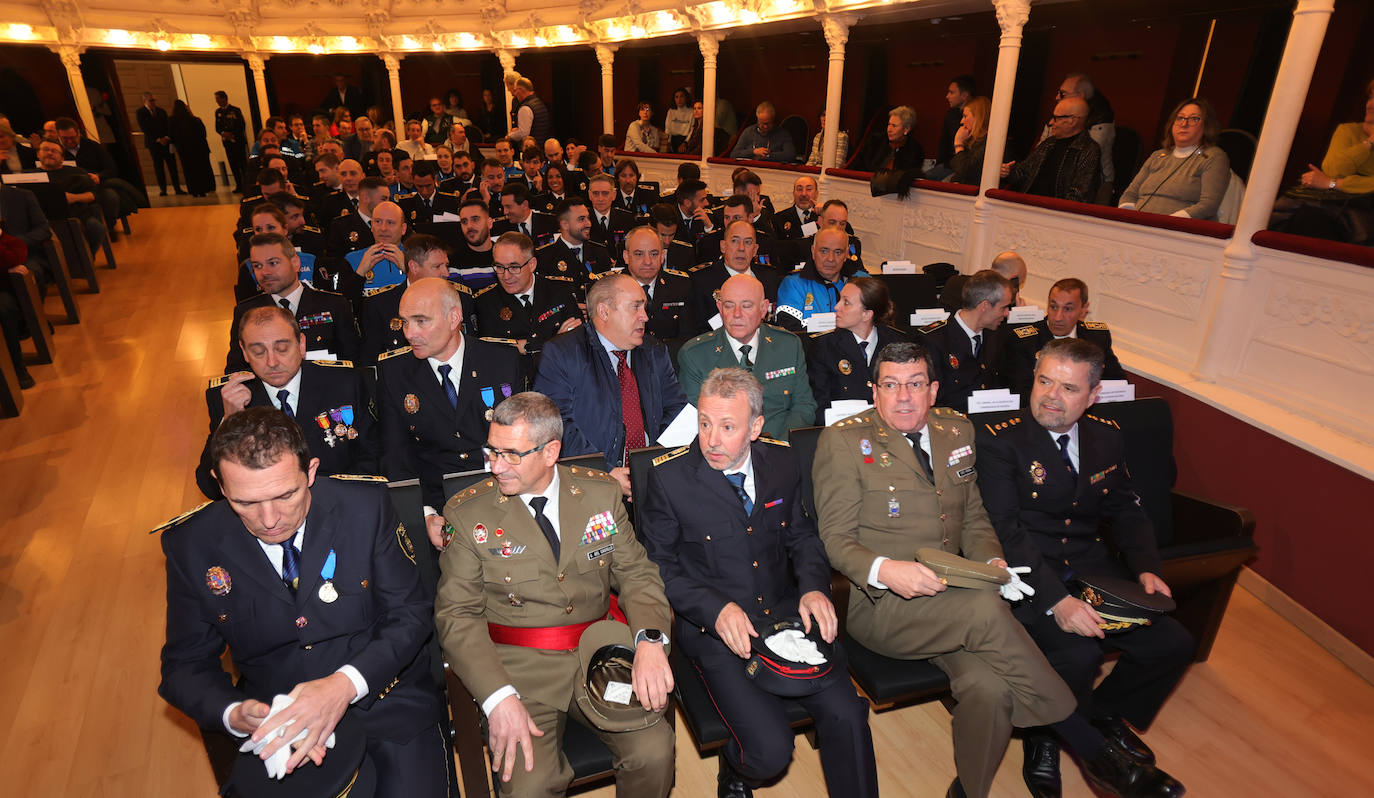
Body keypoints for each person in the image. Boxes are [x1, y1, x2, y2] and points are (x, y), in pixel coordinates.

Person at [158, 407, 451, 797]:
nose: (269, 519)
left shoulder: (364, 507)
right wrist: (235, 712)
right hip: (283, 719)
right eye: (245, 502)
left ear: (311, 472)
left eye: (285, 495)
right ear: (219, 484)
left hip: (385, 700)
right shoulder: (193, 544)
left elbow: (410, 615)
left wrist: (343, 686)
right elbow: (184, 667)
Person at [639, 368, 879, 798]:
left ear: (755, 428)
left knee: (848, 715)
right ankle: (735, 769)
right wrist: (715, 609)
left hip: (784, 615)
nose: (710, 439)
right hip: (714, 631)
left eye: (727, 427)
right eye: (705, 422)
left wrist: (813, 587)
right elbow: (658, 567)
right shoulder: (670, 479)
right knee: (769, 753)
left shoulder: (782, 463)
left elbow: (802, 535)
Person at [976, 337, 1191, 798]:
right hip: (1031, 577)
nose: (1051, 395)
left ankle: (1096, 715)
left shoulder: (1106, 436)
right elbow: (1006, 531)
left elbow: (1126, 508)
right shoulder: (1001, 441)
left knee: (1173, 643)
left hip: (1093, 566)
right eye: (1044, 381)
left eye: (1068, 388)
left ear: (1092, 396)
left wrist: (1146, 567)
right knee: (1078, 654)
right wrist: (1057, 602)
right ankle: (1043, 737)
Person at [434, 391, 675, 797]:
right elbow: (456, 616)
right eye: (492, 451)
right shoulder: (467, 513)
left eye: (511, 454)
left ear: (550, 452)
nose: (495, 465)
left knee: (655, 751)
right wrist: (496, 699)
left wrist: (649, 640)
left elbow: (637, 574)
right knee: (530, 786)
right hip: (518, 673)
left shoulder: (599, 495)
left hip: (598, 655)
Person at [376, 277, 522, 537]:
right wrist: (425, 514)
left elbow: (522, 440)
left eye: (421, 321)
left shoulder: (501, 360)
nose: (409, 333)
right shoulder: (395, 373)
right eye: (405, 322)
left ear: (454, 318)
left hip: (504, 492)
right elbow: (396, 456)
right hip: (438, 507)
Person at [196, 305, 377, 498]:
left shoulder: (344, 383)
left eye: (282, 348)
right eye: (258, 352)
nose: (272, 362)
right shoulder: (228, 398)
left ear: (301, 344)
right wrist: (230, 422)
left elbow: (371, 456)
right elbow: (210, 487)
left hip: (339, 501)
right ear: (244, 351)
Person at [533, 273, 687, 492]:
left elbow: (677, 411)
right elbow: (555, 425)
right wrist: (604, 473)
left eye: (643, 307)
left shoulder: (654, 351)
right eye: (635, 307)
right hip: (588, 483)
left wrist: (653, 464)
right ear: (604, 312)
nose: (644, 316)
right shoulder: (562, 353)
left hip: (651, 478)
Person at [678, 274, 815, 441]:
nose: (737, 314)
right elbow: (698, 420)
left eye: (746, 306)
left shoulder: (788, 346)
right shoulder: (695, 355)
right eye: (729, 306)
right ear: (720, 308)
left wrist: (780, 446)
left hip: (781, 449)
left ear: (764, 309)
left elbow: (803, 406)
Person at [227, 232, 361, 371]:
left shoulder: (334, 305)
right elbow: (236, 369)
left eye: (273, 263)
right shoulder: (246, 312)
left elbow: (353, 361)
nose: (264, 272)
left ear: (295, 263)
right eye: (257, 266)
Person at [472, 231, 582, 373]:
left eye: (514, 267)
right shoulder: (486, 303)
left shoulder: (560, 291)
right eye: (499, 267)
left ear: (531, 264)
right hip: (514, 385)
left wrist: (526, 346)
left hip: (561, 376)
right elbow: (492, 354)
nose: (506, 275)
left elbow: (578, 342)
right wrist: (556, 341)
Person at [360, 233, 474, 365]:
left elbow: (470, 348)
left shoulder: (461, 298)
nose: (446, 273)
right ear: (413, 267)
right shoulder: (380, 304)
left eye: (446, 265)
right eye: (437, 266)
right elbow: (370, 361)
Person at [806, 277, 909, 423]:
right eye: (840, 300)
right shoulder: (824, 347)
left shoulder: (897, 344)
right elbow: (819, 404)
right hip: (843, 430)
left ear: (867, 314)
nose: (836, 306)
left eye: (846, 303)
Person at [1003, 278, 1126, 399]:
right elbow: (1022, 394)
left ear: (1084, 309)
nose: (1058, 317)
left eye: (1068, 309)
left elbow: (1120, 383)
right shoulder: (1025, 341)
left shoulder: (1096, 337)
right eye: (1053, 307)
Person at [1118, 98, 1230, 220]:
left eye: (1194, 119)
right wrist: (1127, 218)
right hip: (1139, 226)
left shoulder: (1213, 157)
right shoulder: (1157, 156)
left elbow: (1209, 205)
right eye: (1180, 118)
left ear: (1207, 126)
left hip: (1178, 232)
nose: (1184, 124)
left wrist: (1169, 222)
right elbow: (1129, 194)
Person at [917, 269, 1011, 413]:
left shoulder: (996, 335)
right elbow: (934, 403)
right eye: (1004, 307)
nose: (1007, 314)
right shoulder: (935, 341)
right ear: (984, 306)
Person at [689, 219, 782, 332]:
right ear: (723, 246)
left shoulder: (770, 278)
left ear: (755, 250)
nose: (741, 248)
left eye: (747, 242)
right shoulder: (702, 281)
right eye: (734, 241)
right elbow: (698, 329)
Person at [1004, 97, 1101, 204]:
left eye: (1055, 118)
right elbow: (1023, 172)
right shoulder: (1049, 143)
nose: (1050, 122)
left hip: (1055, 215)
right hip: (1028, 207)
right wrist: (1009, 172)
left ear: (1072, 121)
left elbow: (1079, 196)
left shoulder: (1089, 151)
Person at [775, 228, 869, 331]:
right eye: (824, 251)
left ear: (846, 254)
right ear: (813, 251)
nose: (831, 259)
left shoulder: (862, 283)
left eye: (838, 252)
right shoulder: (794, 284)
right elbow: (791, 335)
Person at [1047, 73, 1117, 201]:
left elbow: (1086, 158)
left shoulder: (1101, 119)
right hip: (1058, 174)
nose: (1057, 97)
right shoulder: (1059, 112)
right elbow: (1042, 146)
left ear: (1080, 95)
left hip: (1095, 183)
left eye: (1063, 93)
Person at [622, 226, 695, 344]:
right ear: (626, 257)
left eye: (654, 254)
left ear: (662, 256)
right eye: (639, 254)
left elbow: (687, 338)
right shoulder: (612, 289)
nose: (647, 261)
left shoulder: (681, 287)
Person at [1301, 78, 1374, 194]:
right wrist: (1369, 142)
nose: (1369, 104)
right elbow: (1332, 170)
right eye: (1370, 97)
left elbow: (1329, 178)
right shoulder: (1349, 130)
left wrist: (1333, 183)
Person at [34, 139, 107, 254]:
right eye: (45, 150)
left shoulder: (77, 172)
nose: (49, 153)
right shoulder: (30, 176)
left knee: (97, 229)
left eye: (54, 151)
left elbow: (95, 195)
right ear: (38, 154)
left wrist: (74, 198)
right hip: (42, 219)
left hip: (76, 215)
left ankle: (87, 259)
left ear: (62, 158)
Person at [534, 198, 615, 296]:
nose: (588, 223)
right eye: (581, 219)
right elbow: (543, 296)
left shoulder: (600, 252)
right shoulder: (544, 257)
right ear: (565, 225)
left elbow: (609, 291)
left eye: (588, 218)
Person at [136, 92, 184, 196]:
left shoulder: (161, 111)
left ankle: (177, 188)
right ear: (145, 101)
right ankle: (163, 189)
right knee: (159, 167)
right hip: (154, 144)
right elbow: (145, 127)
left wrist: (166, 137)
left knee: (172, 166)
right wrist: (158, 139)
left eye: (154, 100)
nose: (153, 102)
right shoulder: (141, 112)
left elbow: (167, 125)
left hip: (166, 143)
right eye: (151, 100)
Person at [170, 100, 216, 197]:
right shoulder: (194, 120)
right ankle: (203, 189)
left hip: (184, 150)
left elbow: (172, 135)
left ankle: (193, 190)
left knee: (188, 170)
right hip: (198, 149)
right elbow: (203, 134)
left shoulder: (172, 121)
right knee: (199, 169)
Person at [450, 195, 498, 287]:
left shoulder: (505, 256)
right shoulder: (454, 262)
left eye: (475, 219)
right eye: (464, 221)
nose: (469, 226)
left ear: (489, 223)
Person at [397, 160, 461, 226]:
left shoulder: (450, 202)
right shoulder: (405, 204)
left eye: (428, 186)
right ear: (413, 181)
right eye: (420, 186)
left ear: (435, 179)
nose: (424, 191)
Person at [863, 105, 923, 174]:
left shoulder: (915, 151)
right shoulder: (875, 141)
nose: (889, 129)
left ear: (906, 129)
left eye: (894, 126)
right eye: (889, 124)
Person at [586, 173, 635, 255]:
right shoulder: (582, 220)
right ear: (589, 195)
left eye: (605, 193)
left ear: (614, 195)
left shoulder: (626, 219)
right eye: (596, 193)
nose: (600, 198)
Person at [730, 101, 796, 162]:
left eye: (769, 123)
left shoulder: (783, 134)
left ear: (773, 120)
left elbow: (790, 155)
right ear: (757, 120)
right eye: (762, 123)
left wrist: (767, 155)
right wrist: (754, 151)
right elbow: (734, 154)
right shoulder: (748, 132)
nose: (765, 127)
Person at [950, 96, 991, 186]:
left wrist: (958, 144)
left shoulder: (988, 144)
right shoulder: (972, 141)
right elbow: (956, 169)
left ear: (978, 117)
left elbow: (966, 171)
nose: (962, 121)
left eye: (965, 116)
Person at [939, 75, 977, 167]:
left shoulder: (977, 115)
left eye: (951, 92)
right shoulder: (951, 114)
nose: (947, 96)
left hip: (964, 165)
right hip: (948, 164)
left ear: (964, 95)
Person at [508, 76, 552, 146]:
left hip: (532, 149)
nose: (515, 94)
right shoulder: (538, 102)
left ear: (521, 90)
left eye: (515, 90)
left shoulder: (525, 108)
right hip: (542, 145)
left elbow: (523, 133)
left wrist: (509, 136)